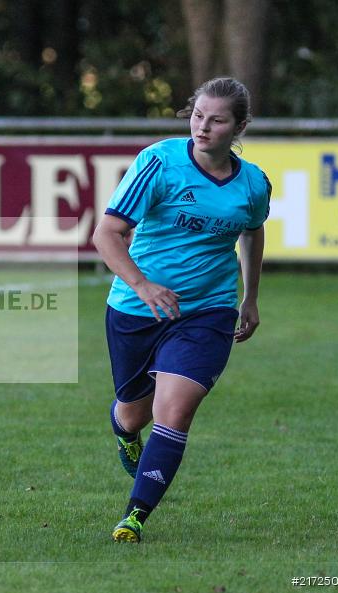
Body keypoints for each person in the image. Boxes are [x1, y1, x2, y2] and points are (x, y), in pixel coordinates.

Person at [92, 77, 270, 543]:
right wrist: (143, 285)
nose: (203, 128)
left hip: (209, 311)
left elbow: (252, 230)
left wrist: (249, 296)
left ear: (240, 127)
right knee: (135, 412)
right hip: (136, 308)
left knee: (176, 409)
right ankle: (124, 427)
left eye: (217, 120)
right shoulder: (160, 162)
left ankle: (135, 514)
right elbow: (106, 234)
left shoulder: (253, 184)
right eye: (198, 116)